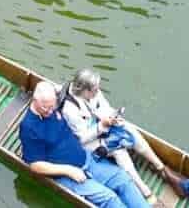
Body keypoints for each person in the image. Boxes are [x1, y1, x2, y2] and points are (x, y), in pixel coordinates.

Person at [61, 68, 185, 204]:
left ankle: (162, 169)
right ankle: (145, 191)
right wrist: (101, 126)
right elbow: (82, 137)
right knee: (117, 148)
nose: (98, 91)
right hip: (86, 143)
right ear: (84, 90)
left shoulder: (93, 92)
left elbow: (104, 107)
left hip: (101, 126)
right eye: (94, 90)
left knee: (129, 130)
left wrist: (113, 117)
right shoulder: (70, 109)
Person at [20, 80, 150, 208]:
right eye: (45, 107)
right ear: (34, 100)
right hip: (66, 175)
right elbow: (35, 165)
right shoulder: (29, 127)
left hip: (86, 158)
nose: (50, 111)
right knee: (109, 199)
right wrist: (69, 171)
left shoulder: (54, 104)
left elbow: (70, 85)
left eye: (52, 106)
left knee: (123, 179)